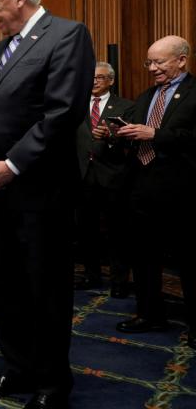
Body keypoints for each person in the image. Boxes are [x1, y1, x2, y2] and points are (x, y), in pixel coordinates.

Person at [0, 0, 95, 409]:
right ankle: (17, 369)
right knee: (8, 287)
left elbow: (62, 114)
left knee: (45, 290)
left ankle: (51, 384)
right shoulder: (0, 49)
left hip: (41, 193)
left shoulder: (67, 35)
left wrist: (13, 165)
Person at [114, 36, 196, 350]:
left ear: (182, 60)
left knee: (189, 260)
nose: (152, 68)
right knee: (144, 257)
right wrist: (118, 134)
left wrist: (155, 134)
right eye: (149, 62)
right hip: (142, 187)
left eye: (159, 62)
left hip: (182, 191)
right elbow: (138, 133)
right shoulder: (147, 95)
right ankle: (149, 314)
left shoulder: (194, 93)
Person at [73, 62, 133, 297]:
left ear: (111, 80)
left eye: (100, 78)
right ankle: (91, 275)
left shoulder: (126, 107)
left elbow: (132, 143)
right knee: (86, 231)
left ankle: (119, 282)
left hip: (113, 178)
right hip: (82, 177)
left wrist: (112, 138)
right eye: (91, 77)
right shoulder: (75, 106)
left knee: (117, 232)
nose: (95, 81)